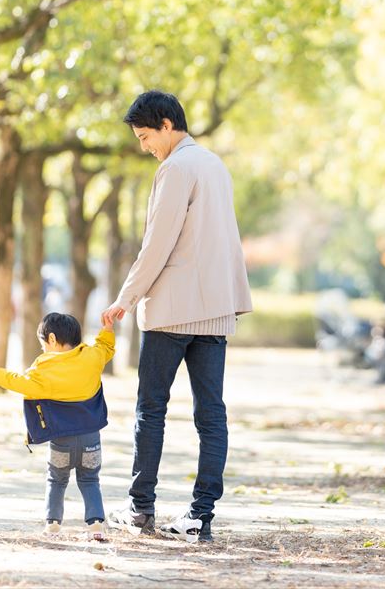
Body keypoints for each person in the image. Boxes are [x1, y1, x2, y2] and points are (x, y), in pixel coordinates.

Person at [101, 91, 253, 544]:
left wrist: (125, 299)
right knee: (212, 415)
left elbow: (158, 244)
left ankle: (140, 508)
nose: (144, 146)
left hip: (171, 313)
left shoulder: (175, 168)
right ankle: (200, 517)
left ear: (167, 124)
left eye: (146, 136)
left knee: (151, 410)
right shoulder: (214, 165)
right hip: (215, 313)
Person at [0, 312, 116, 540]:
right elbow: (105, 348)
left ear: (51, 339)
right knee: (90, 479)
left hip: (61, 440)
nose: (42, 349)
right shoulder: (92, 357)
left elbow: (22, 383)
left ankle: (52, 524)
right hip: (91, 439)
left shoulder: (44, 369)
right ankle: (96, 526)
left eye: (42, 343)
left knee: (56, 479)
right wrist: (108, 329)